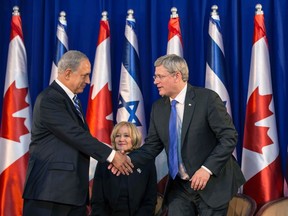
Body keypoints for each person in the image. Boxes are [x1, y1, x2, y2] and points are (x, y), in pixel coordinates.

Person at [122, 54, 246, 216]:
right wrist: (127, 160)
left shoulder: (207, 99)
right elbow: (152, 146)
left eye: (160, 76)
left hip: (211, 184)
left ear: (177, 76)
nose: (155, 81)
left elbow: (229, 137)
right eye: (155, 76)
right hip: (180, 188)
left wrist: (206, 169)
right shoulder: (158, 108)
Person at [22, 50, 133, 216]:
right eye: (85, 75)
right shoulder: (50, 99)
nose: (88, 81)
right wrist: (112, 155)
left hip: (71, 194)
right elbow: (75, 135)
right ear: (68, 73)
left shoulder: (72, 101)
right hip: (49, 193)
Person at [91, 121, 157, 216]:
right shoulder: (104, 162)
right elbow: (97, 201)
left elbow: (150, 200)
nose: (121, 139)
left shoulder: (147, 162)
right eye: (117, 136)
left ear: (134, 138)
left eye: (126, 136)